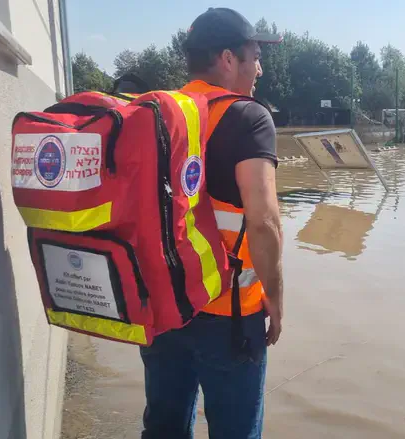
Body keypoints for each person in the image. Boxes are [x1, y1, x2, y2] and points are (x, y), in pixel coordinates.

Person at [139, 8, 284, 439]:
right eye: (254, 55)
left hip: (162, 308)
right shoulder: (249, 118)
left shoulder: (155, 115)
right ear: (227, 58)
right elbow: (265, 224)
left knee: (163, 429)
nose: (259, 68)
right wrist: (275, 300)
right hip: (230, 316)